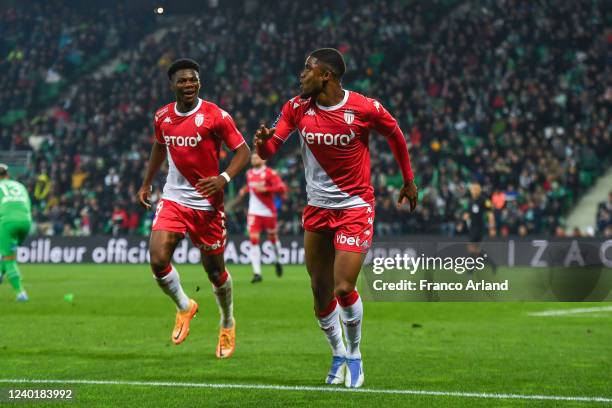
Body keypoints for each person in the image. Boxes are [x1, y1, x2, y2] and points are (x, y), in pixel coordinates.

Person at [254, 48, 417, 388]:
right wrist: (264, 144)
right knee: (319, 288)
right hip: (317, 208)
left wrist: (408, 180)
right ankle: (338, 353)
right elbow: (270, 150)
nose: (301, 75)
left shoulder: (363, 108)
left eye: (307, 69)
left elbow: (396, 135)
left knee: (343, 286)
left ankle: (356, 356)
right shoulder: (295, 108)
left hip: (355, 207)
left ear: (325, 75)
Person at [137, 58, 250, 358]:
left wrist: (224, 178)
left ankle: (227, 322)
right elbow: (160, 146)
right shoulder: (162, 116)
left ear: (199, 82)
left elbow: (244, 151)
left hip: (208, 205)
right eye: (183, 81)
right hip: (174, 198)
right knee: (158, 259)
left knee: (215, 272)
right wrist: (147, 182)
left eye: (193, 80)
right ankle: (185, 306)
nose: (189, 85)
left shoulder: (215, 116)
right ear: (172, 85)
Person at [239, 152, 288, 283]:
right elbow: (251, 187)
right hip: (254, 212)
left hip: (268, 212)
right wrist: (244, 190)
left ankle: (277, 260)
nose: (253, 159)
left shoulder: (270, 173)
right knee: (254, 240)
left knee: (273, 239)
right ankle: (257, 273)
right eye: (252, 157)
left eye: (256, 157)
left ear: (264, 160)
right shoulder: (249, 173)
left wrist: (267, 189)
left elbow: (282, 187)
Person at [0, 164, 32, 301]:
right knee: (9, 252)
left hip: (7, 222)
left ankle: (21, 293)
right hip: (25, 222)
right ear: (7, 174)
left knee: (9, 258)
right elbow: (28, 205)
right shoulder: (19, 186)